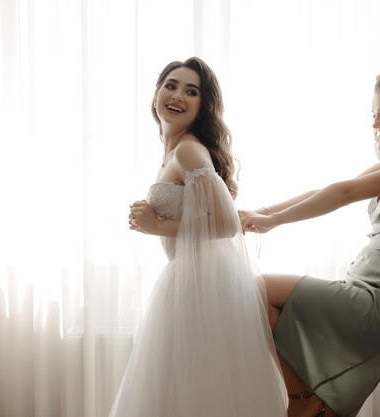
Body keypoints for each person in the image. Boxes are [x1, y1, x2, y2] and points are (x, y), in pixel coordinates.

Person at [240, 66, 380, 417]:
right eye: (373, 116)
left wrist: (272, 221)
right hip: (363, 287)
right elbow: (330, 187)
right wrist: (262, 211)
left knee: (259, 289)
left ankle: (302, 402)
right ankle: (307, 401)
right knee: (258, 302)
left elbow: (345, 193)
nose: (376, 125)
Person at [110, 57, 287, 417]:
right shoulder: (174, 150)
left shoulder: (188, 149)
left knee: (199, 389)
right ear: (157, 92)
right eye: (171, 86)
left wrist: (156, 226)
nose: (177, 96)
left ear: (202, 107)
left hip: (201, 282)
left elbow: (225, 224)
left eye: (191, 92)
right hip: (190, 276)